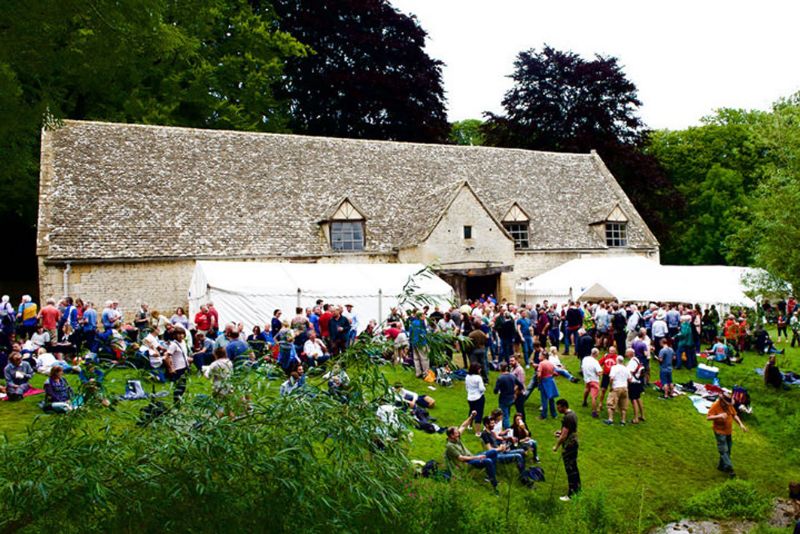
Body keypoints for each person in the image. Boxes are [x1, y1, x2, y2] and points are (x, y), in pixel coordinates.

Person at [444, 411, 498, 490]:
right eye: (456, 433)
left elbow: (463, 426)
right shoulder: (450, 446)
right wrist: (477, 457)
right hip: (467, 462)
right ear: (451, 435)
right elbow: (461, 458)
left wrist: (472, 416)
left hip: (472, 457)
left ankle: (489, 475)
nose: (458, 434)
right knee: (488, 461)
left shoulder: (456, 437)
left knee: (493, 452)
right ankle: (494, 485)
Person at [706, 390, 747, 476]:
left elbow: (734, 415)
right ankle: (729, 468)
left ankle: (721, 466)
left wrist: (741, 424)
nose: (728, 405)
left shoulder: (729, 406)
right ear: (721, 401)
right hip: (719, 431)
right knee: (723, 450)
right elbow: (708, 417)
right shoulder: (715, 406)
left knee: (728, 449)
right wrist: (719, 416)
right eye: (726, 403)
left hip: (728, 431)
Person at [553, 399, 580, 501]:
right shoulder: (573, 414)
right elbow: (570, 430)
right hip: (574, 443)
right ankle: (577, 489)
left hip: (569, 445)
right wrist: (560, 432)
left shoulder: (567, 418)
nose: (557, 409)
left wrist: (556, 446)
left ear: (564, 406)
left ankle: (571, 494)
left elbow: (564, 436)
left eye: (559, 407)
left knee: (570, 470)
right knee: (574, 468)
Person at [164, 325, 191, 403]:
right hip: (178, 368)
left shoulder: (183, 342)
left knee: (183, 386)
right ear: (175, 335)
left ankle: (180, 399)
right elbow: (167, 356)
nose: (181, 336)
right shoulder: (174, 345)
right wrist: (171, 368)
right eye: (179, 334)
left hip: (184, 366)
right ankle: (176, 401)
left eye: (182, 334)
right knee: (179, 386)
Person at [494, 363, 524, 428]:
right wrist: (515, 393)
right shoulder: (512, 376)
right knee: (507, 413)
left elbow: (495, 391)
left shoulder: (500, 378)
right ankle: (506, 426)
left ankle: (508, 431)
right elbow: (521, 386)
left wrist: (499, 390)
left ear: (500, 368)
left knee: (505, 416)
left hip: (503, 399)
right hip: (512, 398)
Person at [604, 355, 631, 426]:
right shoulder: (626, 369)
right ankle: (623, 421)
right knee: (623, 406)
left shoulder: (614, 368)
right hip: (624, 388)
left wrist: (611, 386)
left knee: (611, 403)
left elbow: (611, 378)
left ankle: (610, 420)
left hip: (616, 387)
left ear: (617, 360)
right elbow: (630, 379)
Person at [537, 351, 560, 420]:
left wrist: (539, 380)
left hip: (544, 381)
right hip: (551, 381)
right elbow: (556, 373)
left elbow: (539, 375)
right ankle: (554, 414)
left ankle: (543, 415)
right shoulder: (550, 363)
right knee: (551, 399)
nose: (539, 357)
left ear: (543, 356)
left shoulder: (541, 364)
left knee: (544, 399)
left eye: (540, 355)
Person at [581, 348, 603, 418]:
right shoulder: (595, 362)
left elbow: (582, 367)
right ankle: (594, 412)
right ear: (596, 354)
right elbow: (599, 373)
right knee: (594, 396)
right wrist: (602, 372)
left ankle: (584, 401)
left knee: (587, 389)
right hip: (594, 379)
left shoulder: (585, 359)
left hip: (587, 378)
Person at [465, 362, 486, 435]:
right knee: (479, 414)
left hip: (470, 397)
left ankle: (469, 425)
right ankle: (478, 432)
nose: (480, 370)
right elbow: (481, 388)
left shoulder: (467, 377)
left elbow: (466, 387)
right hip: (478, 397)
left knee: (471, 411)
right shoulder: (478, 378)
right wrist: (484, 389)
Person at [626, 348, 646, 424]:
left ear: (630, 354)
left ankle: (636, 418)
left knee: (633, 400)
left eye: (626, 353)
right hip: (638, 382)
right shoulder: (636, 359)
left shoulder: (631, 362)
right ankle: (642, 415)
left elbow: (629, 373)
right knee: (638, 398)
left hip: (633, 383)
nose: (625, 354)